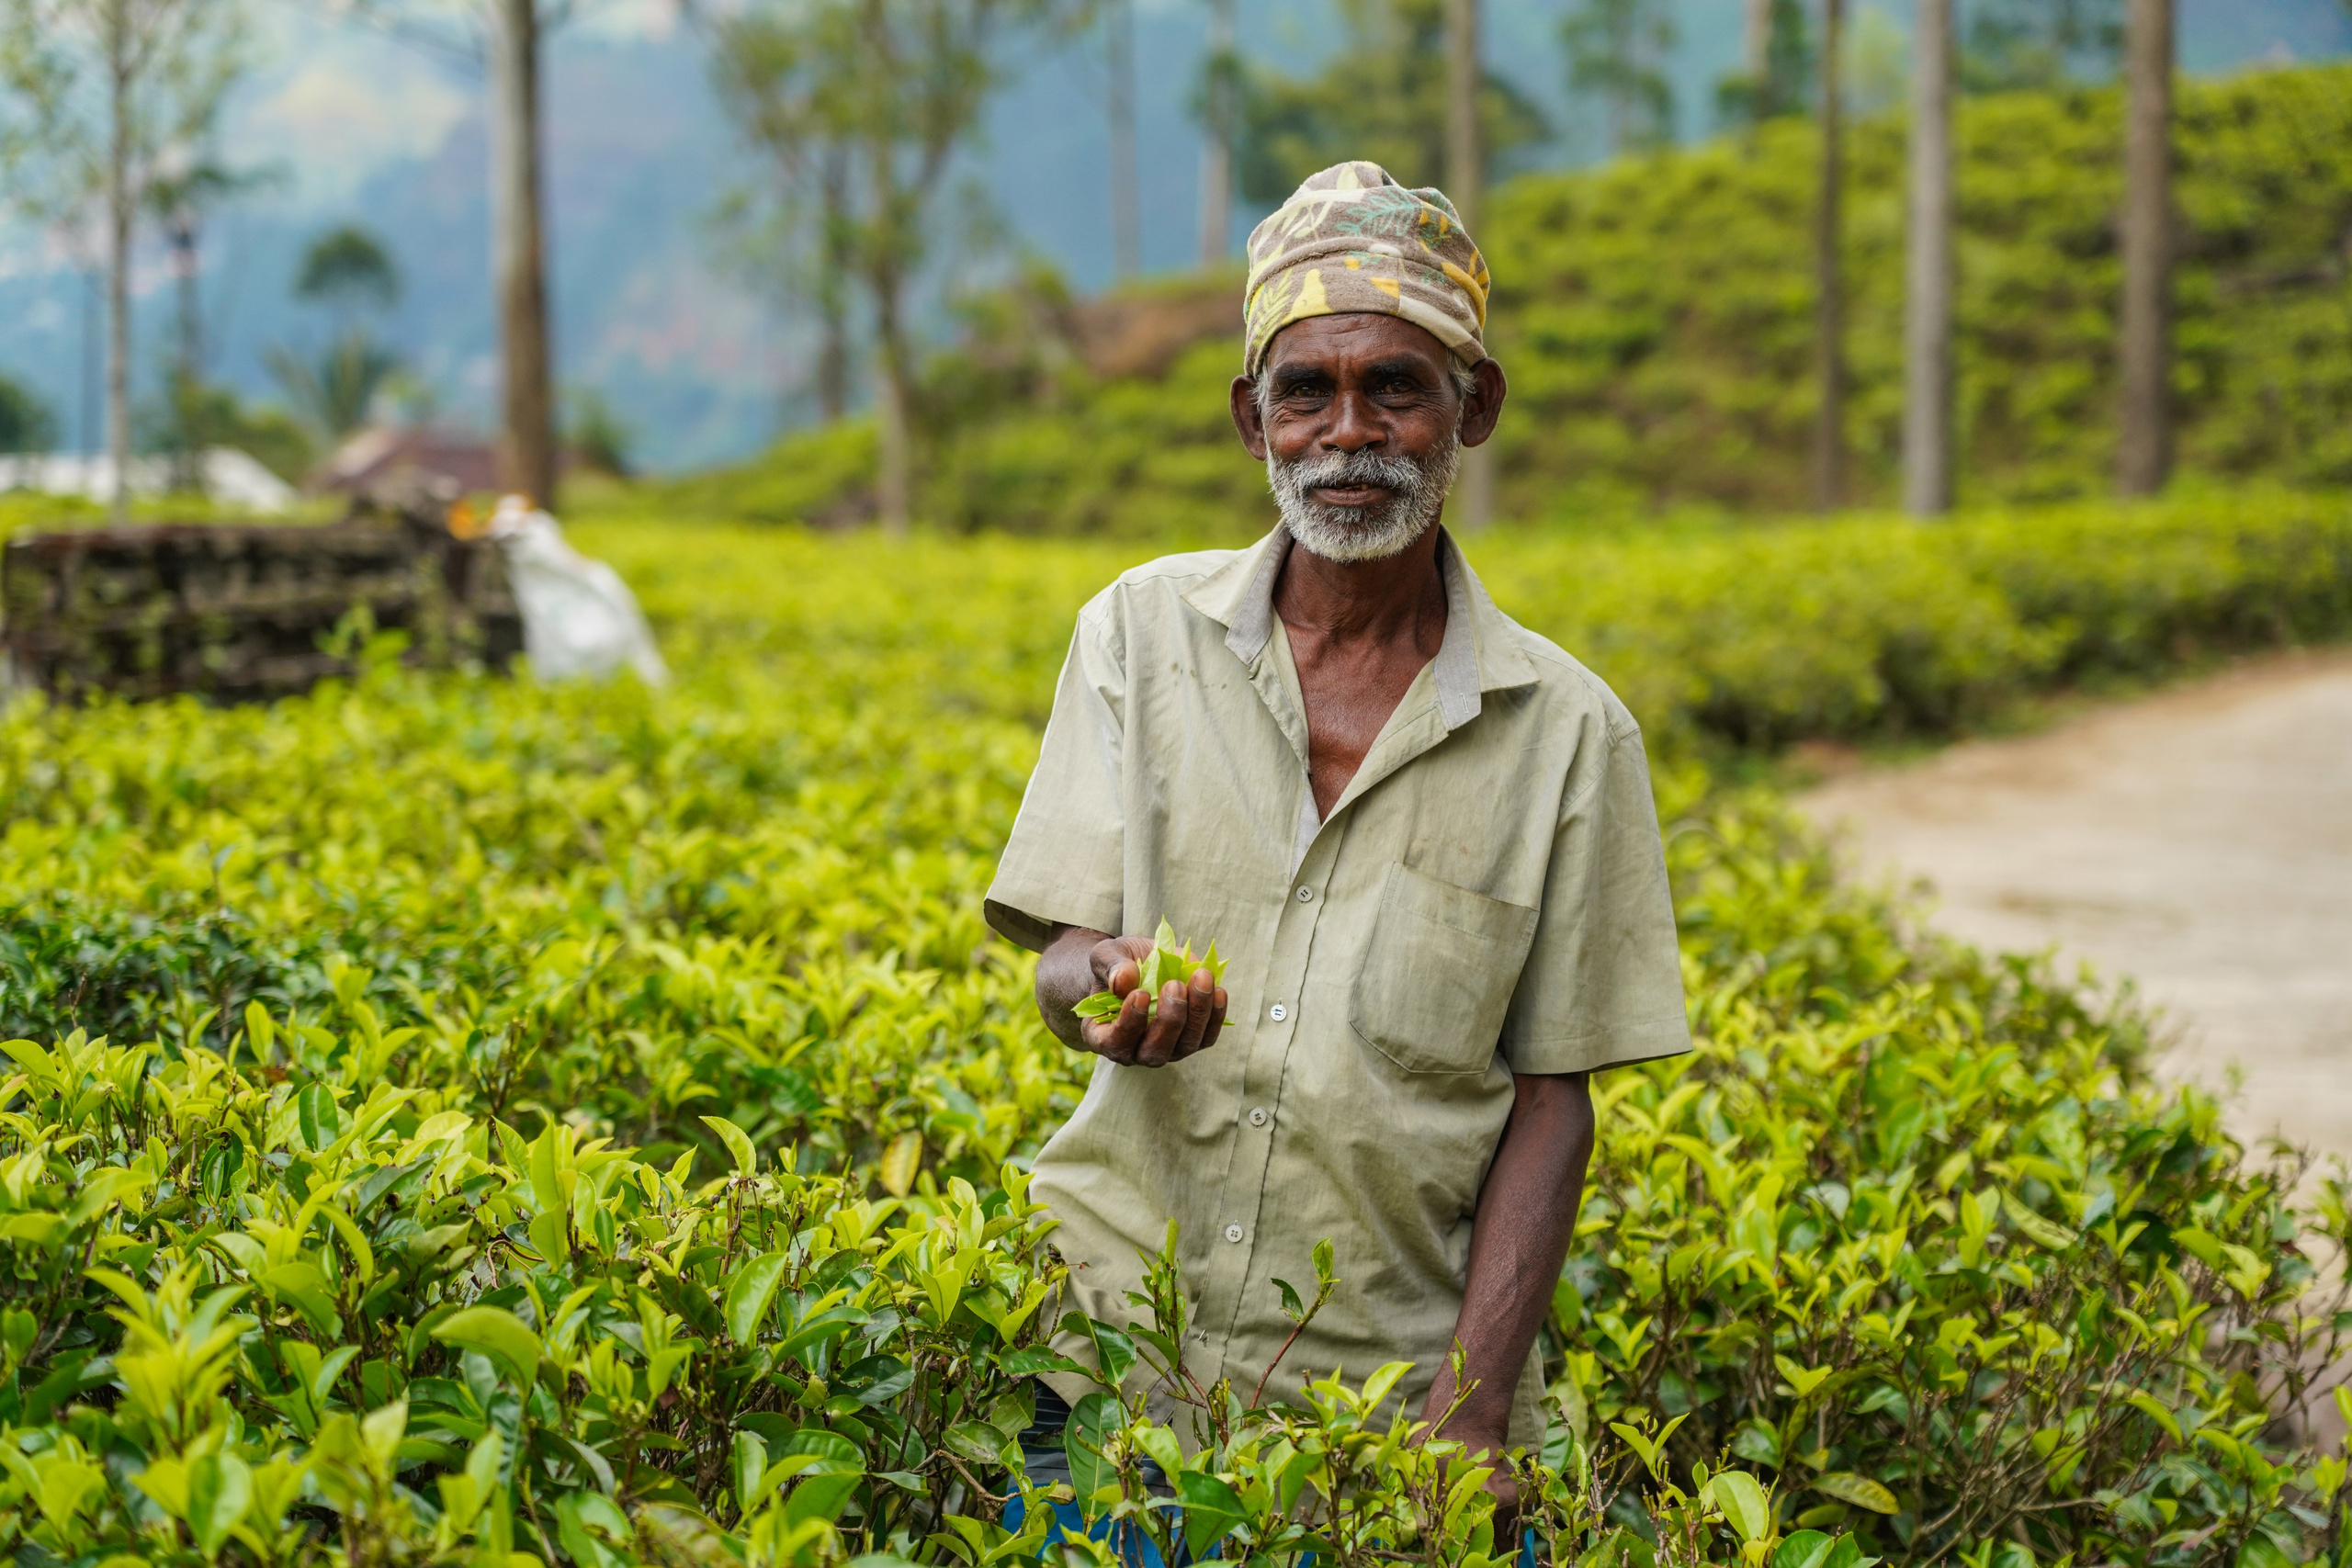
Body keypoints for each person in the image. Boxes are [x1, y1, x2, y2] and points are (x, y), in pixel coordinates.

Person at [986, 160, 1691, 1550]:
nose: (1348, 432)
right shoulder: (1135, 635)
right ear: (1254, 416)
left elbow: (1555, 1100)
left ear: (1470, 410)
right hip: (1106, 1361)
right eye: (1307, 391)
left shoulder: (1570, 734)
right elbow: (1062, 956)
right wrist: (1105, 991)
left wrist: (1472, 1413)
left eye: (1398, 388)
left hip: (1379, 1411)